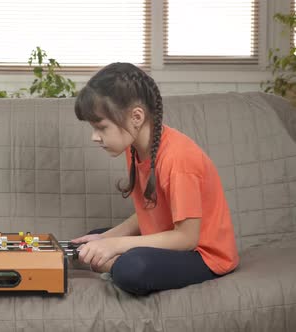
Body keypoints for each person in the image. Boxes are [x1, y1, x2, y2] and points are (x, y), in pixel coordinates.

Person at [70, 62, 239, 296]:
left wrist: (114, 246)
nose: (94, 137)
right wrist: (104, 238)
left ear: (136, 117)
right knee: (88, 243)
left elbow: (187, 238)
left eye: (101, 127)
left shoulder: (179, 159)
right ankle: (109, 259)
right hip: (165, 236)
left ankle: (114, 264)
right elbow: (150, 212)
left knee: (133, 268)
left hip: (202, 254)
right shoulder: (135, 148)